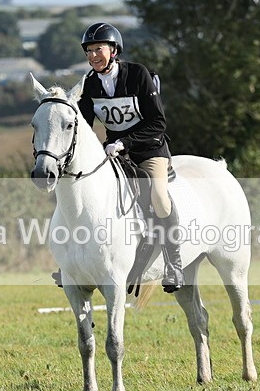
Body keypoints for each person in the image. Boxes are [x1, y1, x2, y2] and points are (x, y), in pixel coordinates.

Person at [77, 22, 184, 293]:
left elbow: (157, 122)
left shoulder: (138, 74)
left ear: (113, 50)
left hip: (149, 150)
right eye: (88, 51)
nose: (92, 56)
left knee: (158, 197)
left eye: (97, 49)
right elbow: (85, 126)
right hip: (115, 154)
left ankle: (174, 264)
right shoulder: (89, 84)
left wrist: (124, 141)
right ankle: (78, 264)